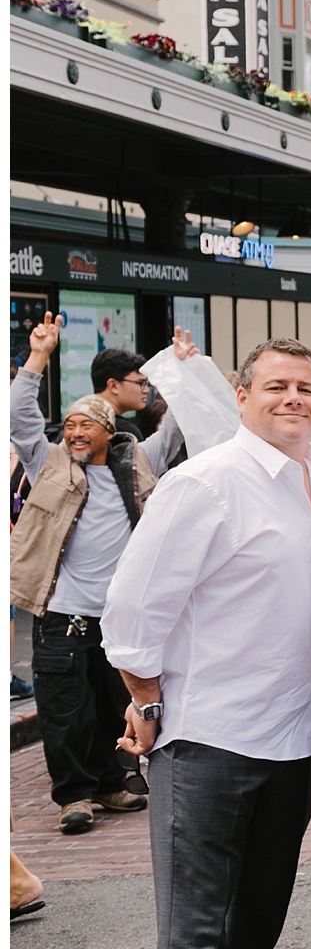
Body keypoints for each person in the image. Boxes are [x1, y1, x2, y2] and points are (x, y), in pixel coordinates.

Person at [103, 338, 311, 949]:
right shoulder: (204, 484)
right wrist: (145, 706)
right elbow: (132, 616)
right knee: (196, 915)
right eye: (276, 386)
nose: (294, 399)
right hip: (208, 733)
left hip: (294, 728)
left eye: (307, 387)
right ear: (241, 397)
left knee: (263, 899)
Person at [11, 314, 197, 834]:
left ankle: (113, 784)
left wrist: (184, 372)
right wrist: (38, 357)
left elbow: (178, 425)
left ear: (107, 432)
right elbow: (21, 417)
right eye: (69, 425)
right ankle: (74, 798)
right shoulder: (45, 464)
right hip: (62, 615)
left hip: (120, 616)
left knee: (114, 705)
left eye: (85, 425)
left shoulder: (135, 461)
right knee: (66, 713)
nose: (73, 433)